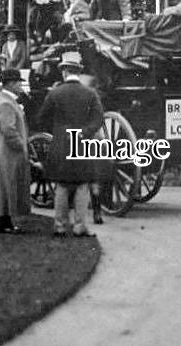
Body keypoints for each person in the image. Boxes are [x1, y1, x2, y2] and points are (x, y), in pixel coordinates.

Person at [38, 51, 105, 237]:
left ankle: (60, 226)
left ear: (65, 72)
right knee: (82, 186)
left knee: (62, 185)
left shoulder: (55, 93)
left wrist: (57, 131)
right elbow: (99, 119)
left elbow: (42, 118)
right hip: (82, 145)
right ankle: (79, 226)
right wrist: (85, 132)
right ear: (78, 71)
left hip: (61, 144)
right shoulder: (90, 94)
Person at [0, 68, 32, 234]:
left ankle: (3, 222)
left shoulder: (5, 100)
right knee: (9, 186)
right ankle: (7, 222)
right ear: (12, 84)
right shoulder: (6, 103)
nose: (21, 85)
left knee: (5, 188)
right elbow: (9, 130)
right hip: (9, 153)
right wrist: (21, 145)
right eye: (19, 82)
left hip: (5, 152)